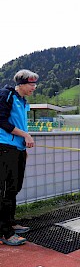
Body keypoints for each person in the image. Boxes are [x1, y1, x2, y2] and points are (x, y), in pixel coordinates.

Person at [0, 69, 38, 246]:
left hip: (17, 149)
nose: (34, 87)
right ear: (21, 84)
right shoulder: (7, 95)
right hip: (5, 148)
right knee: (5, 190)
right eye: (31, 84)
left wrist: (24, 146)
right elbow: (1, 121)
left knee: (14, 188)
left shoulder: (22, 101)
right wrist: (25, 135)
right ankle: (5, 233)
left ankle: (11, 223)